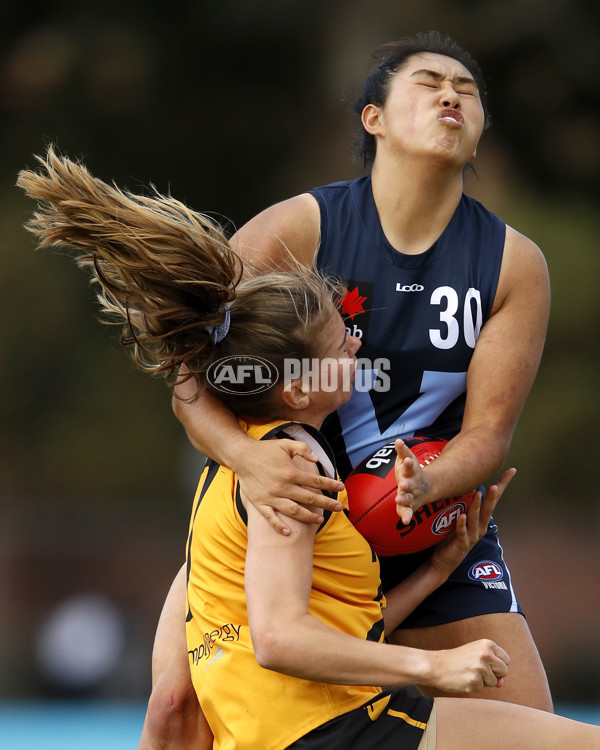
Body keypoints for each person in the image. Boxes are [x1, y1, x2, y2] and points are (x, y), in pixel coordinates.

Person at [18, 149, 600, 750]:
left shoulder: (239, 463)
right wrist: (432, 668)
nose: (357, 343)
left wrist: (437, 569)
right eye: (340, 343)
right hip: (332, 730)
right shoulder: (292, 473)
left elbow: (324, 636)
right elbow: (279, 639)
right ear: (298, 387)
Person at [140, 29, 552, 740]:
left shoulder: (514, 263)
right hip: (289, 507)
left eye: (469, 89)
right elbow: (191, 374)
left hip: (426, 522)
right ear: (374, 118)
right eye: (428, 81)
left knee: (525, 727)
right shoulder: (299, 227)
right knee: (177, 705)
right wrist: (250, 460)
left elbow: (489, 433)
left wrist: (426, 484)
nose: (452, 93)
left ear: (481, 130)